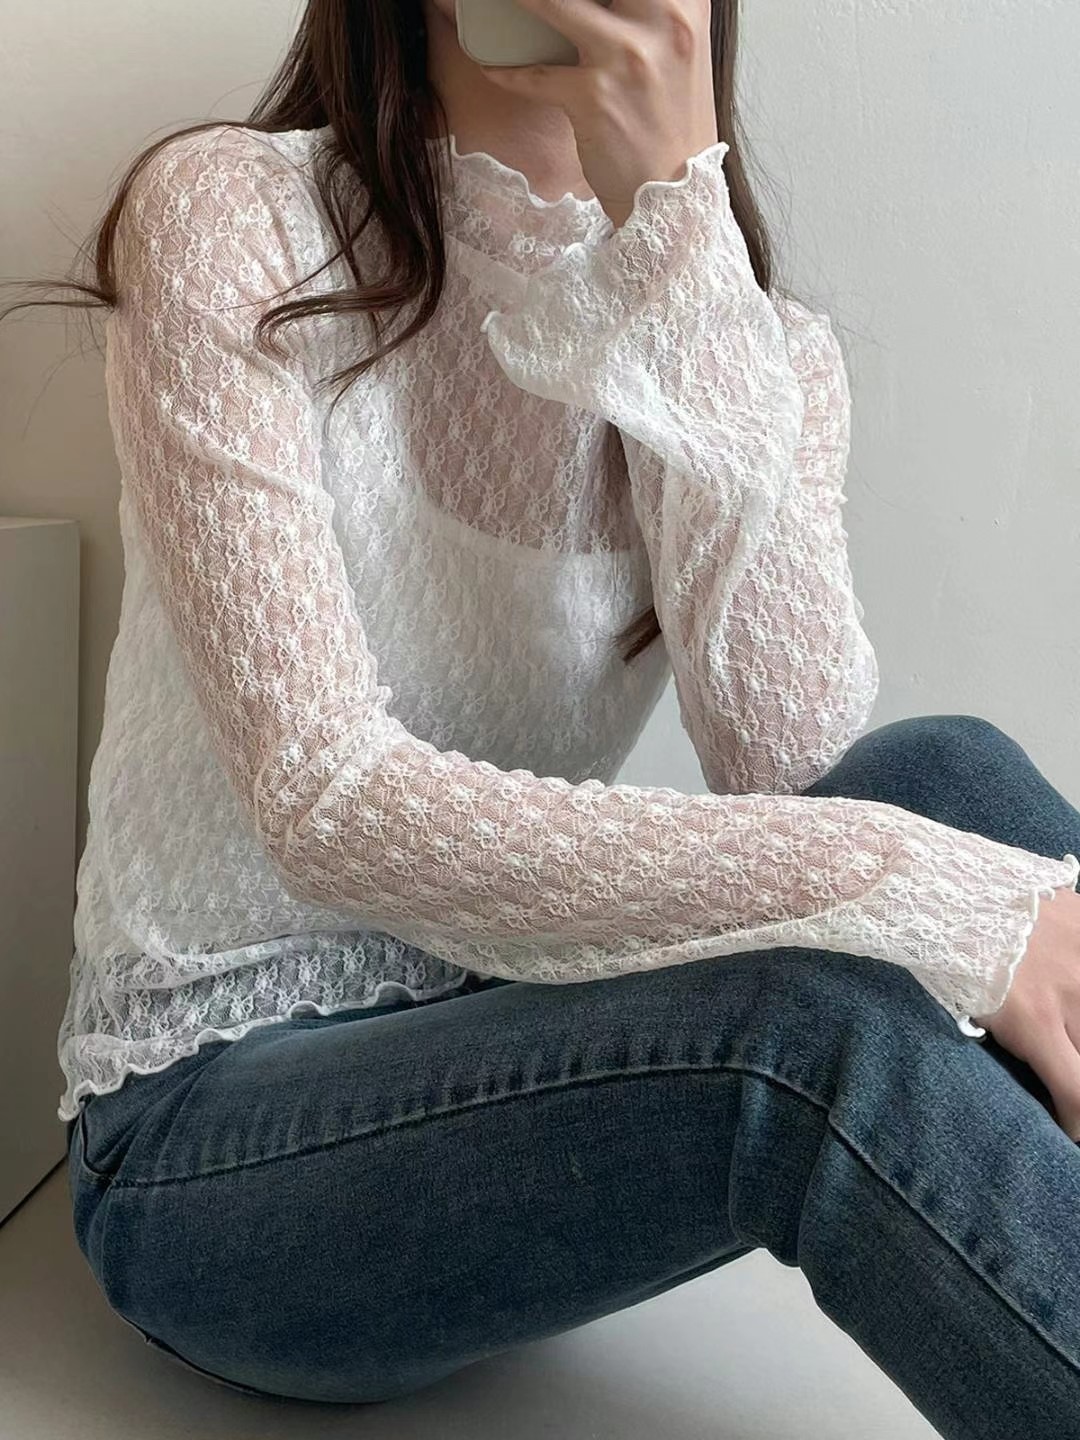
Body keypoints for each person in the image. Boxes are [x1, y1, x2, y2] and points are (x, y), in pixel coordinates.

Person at [4, 1, 1079, 1431]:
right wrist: (937, 896)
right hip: (207, 1140)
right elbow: (327, 806)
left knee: (952, 776)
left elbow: (793, 764)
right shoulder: (235, 216)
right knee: (820, 1021)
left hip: (522, 1048)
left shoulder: (756, 346)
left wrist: (678, 245)